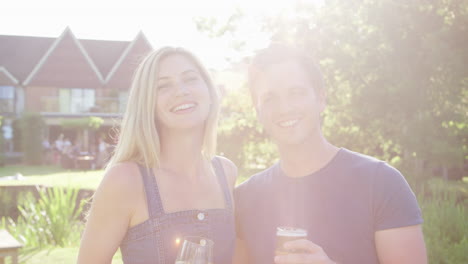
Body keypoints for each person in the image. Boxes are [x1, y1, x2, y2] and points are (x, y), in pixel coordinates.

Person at [234, 44, 427, 264]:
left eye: (296, 93)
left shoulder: (381, 182)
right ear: (258, 112)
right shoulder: (244, 200)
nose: (284, 108)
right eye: (270, 98)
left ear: (321, 99)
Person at [78, 47, 237, 263]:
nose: (181, 91)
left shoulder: (226, 173)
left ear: (209, 91)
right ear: (148, 105)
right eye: (163, 86)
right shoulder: (125, 180)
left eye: (190, 79)